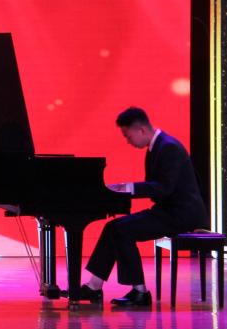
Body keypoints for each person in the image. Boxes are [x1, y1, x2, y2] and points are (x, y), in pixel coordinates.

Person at [80, 107, 208, 306]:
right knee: (113, 227)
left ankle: (140, 292)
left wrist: (128, 188)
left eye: (128, 136)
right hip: (168, 210)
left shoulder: (169, 147)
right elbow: (156, 188)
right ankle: (94, 286)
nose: (128, 141)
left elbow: (164, 188)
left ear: (141, 130)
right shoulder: (156, 147)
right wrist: (124, 190)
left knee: (122, 230)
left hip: (181, 215)